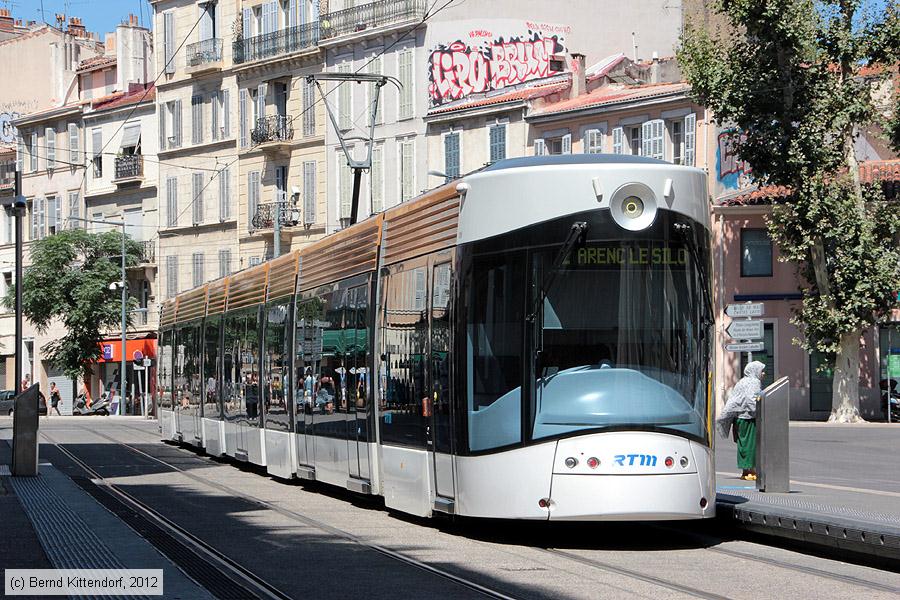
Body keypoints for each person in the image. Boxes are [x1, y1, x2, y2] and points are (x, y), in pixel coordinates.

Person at [717, 361, 766, 481]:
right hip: (748, 418)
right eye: (762, 371)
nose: (764, 373)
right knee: (750, 445)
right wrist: (760, 412)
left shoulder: (742, 381)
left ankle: (746, 471)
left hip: (739, 418)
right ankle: (750, 471)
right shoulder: (754, 382)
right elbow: (751, 399)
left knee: (743, 445)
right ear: (755, 371)